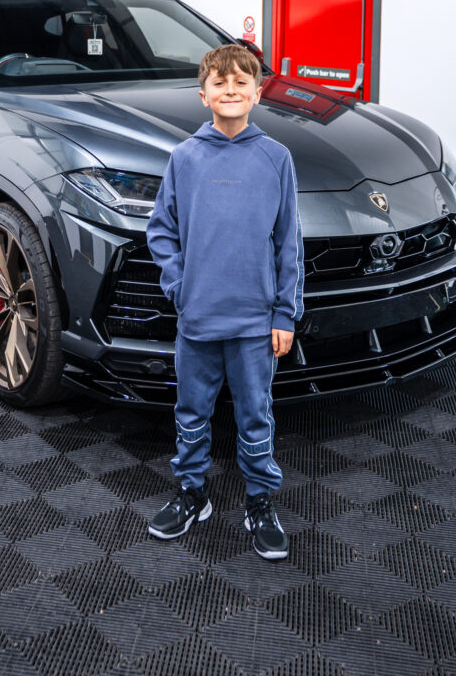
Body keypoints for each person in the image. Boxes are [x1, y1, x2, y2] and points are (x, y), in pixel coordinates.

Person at [146, 43, 303, 560]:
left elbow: (288, 243)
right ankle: (192, 493)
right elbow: (161, 231)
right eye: (220, 82)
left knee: (256, 415)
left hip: (256, 323)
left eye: (241, 82)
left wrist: (285, 314)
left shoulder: (276, 159)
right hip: (197, 320)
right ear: (203, 95)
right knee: (191, 411)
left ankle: (259, 500)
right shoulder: (184, 158)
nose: (231, 90)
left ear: (257, 94)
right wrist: (180, 288)